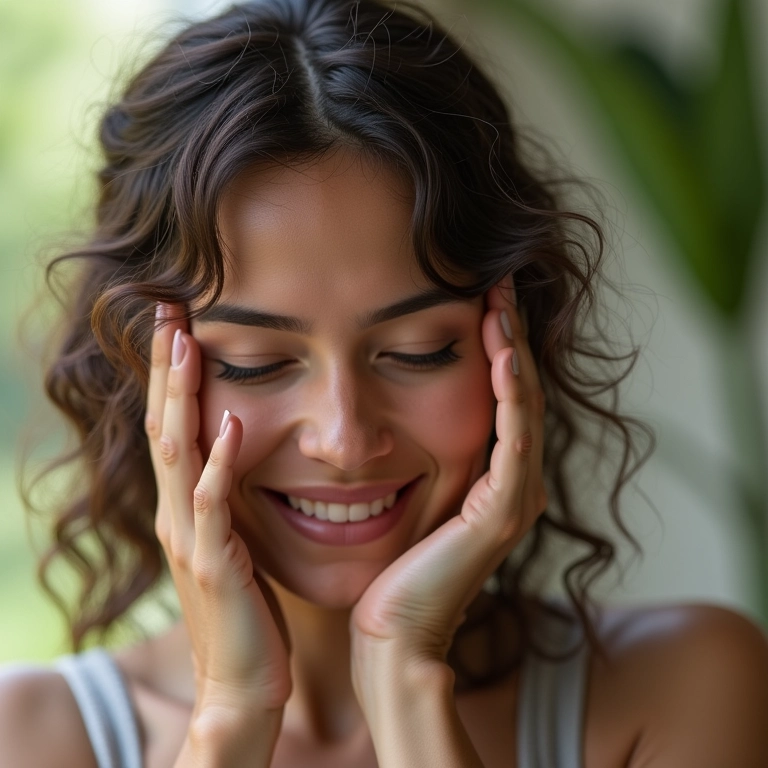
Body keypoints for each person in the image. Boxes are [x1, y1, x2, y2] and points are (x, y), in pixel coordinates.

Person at [2, 0, 768, 765]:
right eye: (254, 363)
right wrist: (232, 715)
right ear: (142, 370)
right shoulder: (32, 737)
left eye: (417, 351)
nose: (344, 440)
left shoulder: (684, 688)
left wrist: (406, 676)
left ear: (516, 351)